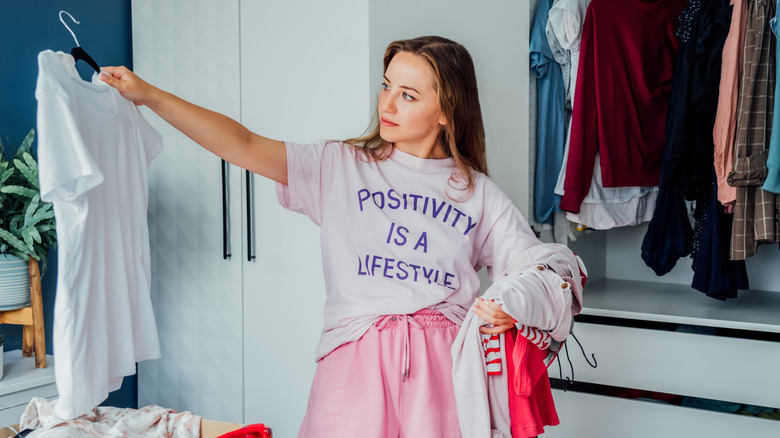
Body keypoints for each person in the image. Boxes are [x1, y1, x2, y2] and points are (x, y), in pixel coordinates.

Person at [101, 35, 577, 437]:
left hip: (442, 371)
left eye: (408, 95)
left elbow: (540, 267)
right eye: (387, 85)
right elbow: (242, 144)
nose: (386, 104)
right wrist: (149, 95)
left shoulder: (478, 194)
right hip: (354, 362)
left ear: (446, 111)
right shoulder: (339, 166)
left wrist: (513, 308)